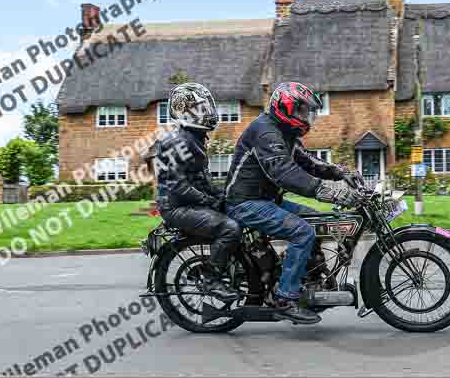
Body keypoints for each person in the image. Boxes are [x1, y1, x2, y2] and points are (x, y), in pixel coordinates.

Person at [225, 82, 364, 324]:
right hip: (246, 203)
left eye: (307, 112)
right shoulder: (266, 132)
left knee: (317, 220)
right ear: (285, 108)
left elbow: (308, 161)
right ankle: (285, 298)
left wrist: (341, 173)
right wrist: (329, 192)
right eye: (302, 111)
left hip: (266, 200)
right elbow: (285, 173)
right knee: (302, 232)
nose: (306, 117)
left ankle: (305, 277)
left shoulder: (284, 134)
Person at [155, 83, 242, 303]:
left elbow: (203, 179)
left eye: (206, 108)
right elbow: (178, 185)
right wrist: (210, 201)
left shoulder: (194, 138)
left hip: (189, 203)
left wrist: (225, 195)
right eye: (200, 109)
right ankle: (211, 279)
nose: (207, 113)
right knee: (229, 228)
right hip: (176, 208)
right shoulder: (175, 142)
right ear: (183, 112)